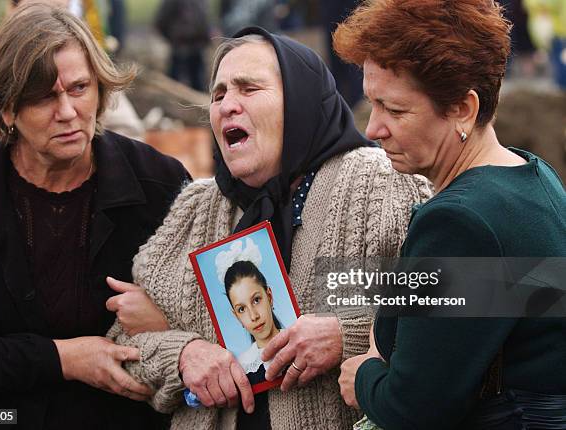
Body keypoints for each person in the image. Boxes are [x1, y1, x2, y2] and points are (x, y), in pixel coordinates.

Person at [106, 26, 432, 429]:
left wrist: (346, 335)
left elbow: (472, 299)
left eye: (248, 88)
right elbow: (122, 341)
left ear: (300, 102)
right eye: (219, 93)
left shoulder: (378, 186)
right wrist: (184, 353)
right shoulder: (197, 209)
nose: (228, 105)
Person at [0, 4, 188, 429]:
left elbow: (216, 318)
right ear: (7, 110)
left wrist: (167, 316)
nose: (66, 112)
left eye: (79, 88)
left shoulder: (159, 184)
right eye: (44, 96)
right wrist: (63, 358)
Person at [334, 1, 566, 428]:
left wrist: (362, 376)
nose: (372, 128)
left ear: (463, 108)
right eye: (372, 103)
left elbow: (413, 409)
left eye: (395, 110)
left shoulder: (461, 223)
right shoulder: (534, 176)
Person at [0, 0, 145, 157]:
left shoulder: (85, 63)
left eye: (62, 13)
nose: (66, 112)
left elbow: (128, 134)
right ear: (12, 10)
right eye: (42, 97)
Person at [219, 241, 282, 385]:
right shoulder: (241, 367)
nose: (254, 316)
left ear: (269, 297)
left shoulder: (299, 341)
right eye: (241, 309)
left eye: (256, 300)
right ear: (236, 316)